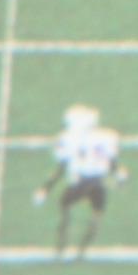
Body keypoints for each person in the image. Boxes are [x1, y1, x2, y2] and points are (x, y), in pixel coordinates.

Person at [44, 104, 121, 256]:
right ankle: (82, 250)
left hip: (80, 182)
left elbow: (62, 165)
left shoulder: (67, 139)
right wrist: (119, 178)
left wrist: (46, 188)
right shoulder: (106, 136)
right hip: (98, 182)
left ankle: (61, 246)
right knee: (96, 215)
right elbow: (112, 162)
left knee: (65, 208)